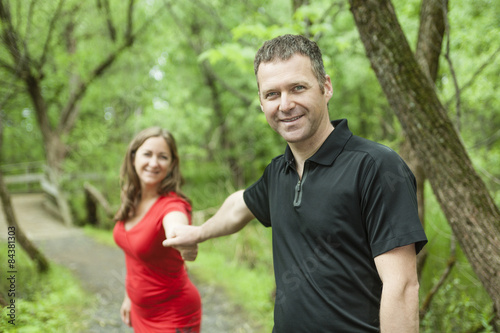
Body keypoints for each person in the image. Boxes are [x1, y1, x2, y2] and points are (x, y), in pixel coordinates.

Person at [164, 34, 427, 332]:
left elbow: (402, 286)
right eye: (272, 94)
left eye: (298, 88)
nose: (285, 104)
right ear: (262, 104)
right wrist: (198, 232)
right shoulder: (279, 172)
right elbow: (240, 205)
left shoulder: (375, 166)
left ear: (325, 87)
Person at [113, 127, 202, 333]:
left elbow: (176, 226)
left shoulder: (172, 205)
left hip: (174, 315)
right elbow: (135, 258)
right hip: (142, 312)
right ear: (133, 157)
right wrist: (130, 296)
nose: (154, 163)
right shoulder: (131, 198)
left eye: (163, 157)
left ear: (171, 165)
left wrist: (182, 238)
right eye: (147, 154)